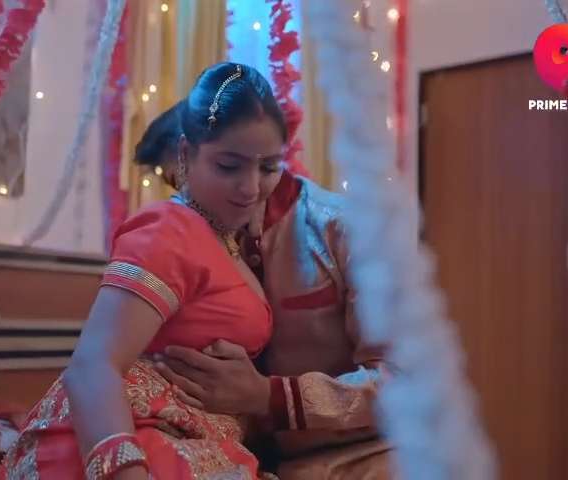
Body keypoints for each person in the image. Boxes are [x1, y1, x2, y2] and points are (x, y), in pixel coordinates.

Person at [0, 62, 289, 480]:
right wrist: (124, 470)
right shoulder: (171, 230)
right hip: (136, 443)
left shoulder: (231, 239)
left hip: (201, 443)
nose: (251, 187)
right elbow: (92, 365)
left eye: (268, 168)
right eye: (229, 166)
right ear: (185, 154)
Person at [134, 104, 396, 479]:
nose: (188, 198)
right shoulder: (190, 243)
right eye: (175, 182)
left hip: (367, 460)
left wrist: (269, 396)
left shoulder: (346, 230)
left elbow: (403, 384)